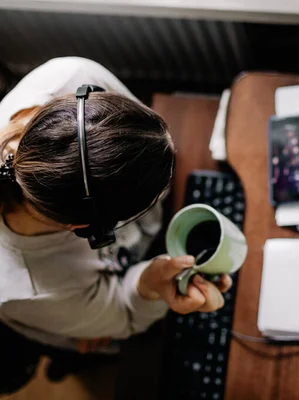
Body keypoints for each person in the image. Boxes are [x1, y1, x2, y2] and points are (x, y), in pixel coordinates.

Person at [0, 57, 232, 394]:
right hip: (68, 314)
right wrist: (150, 284)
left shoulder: (71, 75)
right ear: (80, 227)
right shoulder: (27, 286)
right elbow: (123, 313)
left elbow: (150, 137)